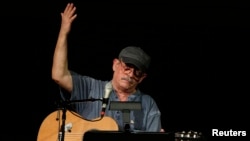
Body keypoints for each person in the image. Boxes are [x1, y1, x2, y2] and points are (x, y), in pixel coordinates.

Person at [52, 3, 163, 132]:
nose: (131, 74)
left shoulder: (147, 104)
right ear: (115, 64)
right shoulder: (91, 88)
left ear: (142, 78)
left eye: (137, 72)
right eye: (127, 67)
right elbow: (58, 75)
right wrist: (63, 32)